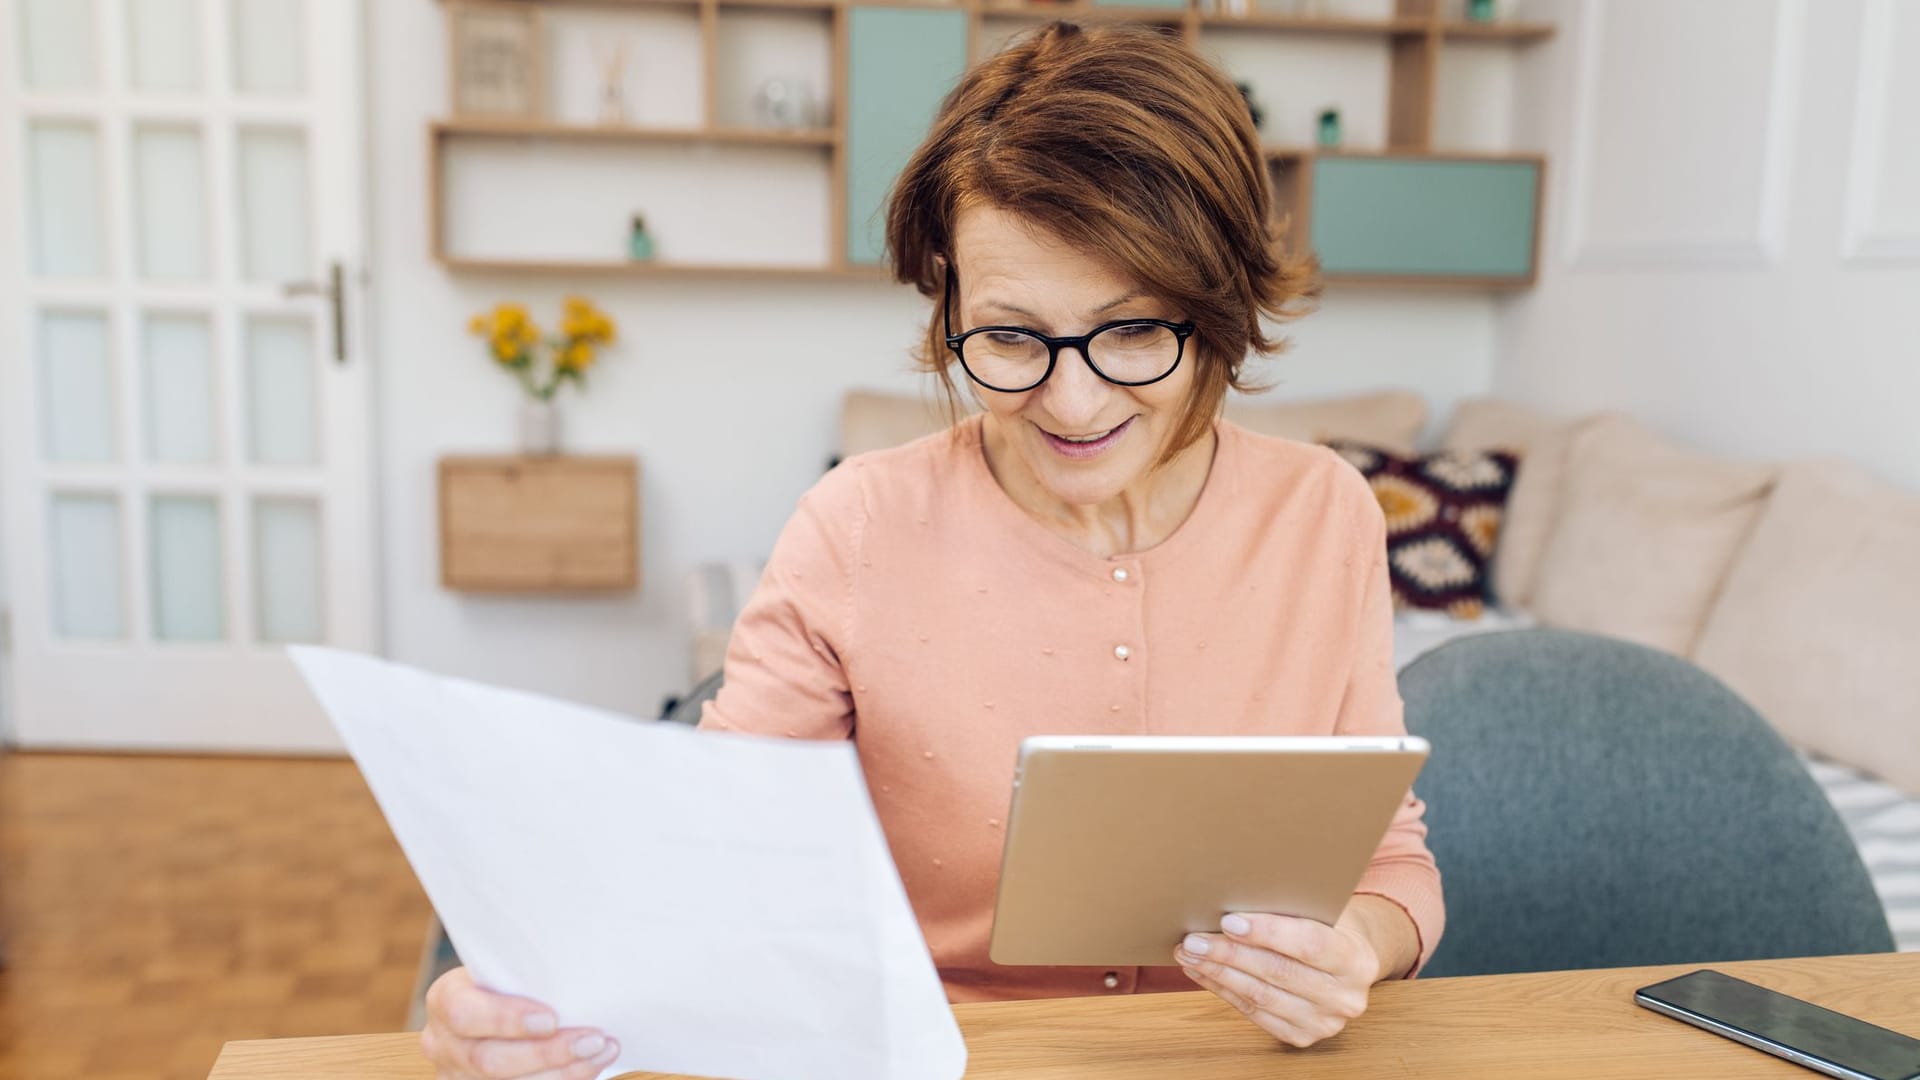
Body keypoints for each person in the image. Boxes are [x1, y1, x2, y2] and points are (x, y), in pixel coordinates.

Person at [420, 21, 1442, 1080]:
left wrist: (1353, 950)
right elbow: (711, 858)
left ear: (1219, 303)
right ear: (947, 298)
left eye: (1135, 330)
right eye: (1010, 337)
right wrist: (525, 998)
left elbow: (1390, 860)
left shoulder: (1325, 514)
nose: (1073, 400)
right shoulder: (857, 525)